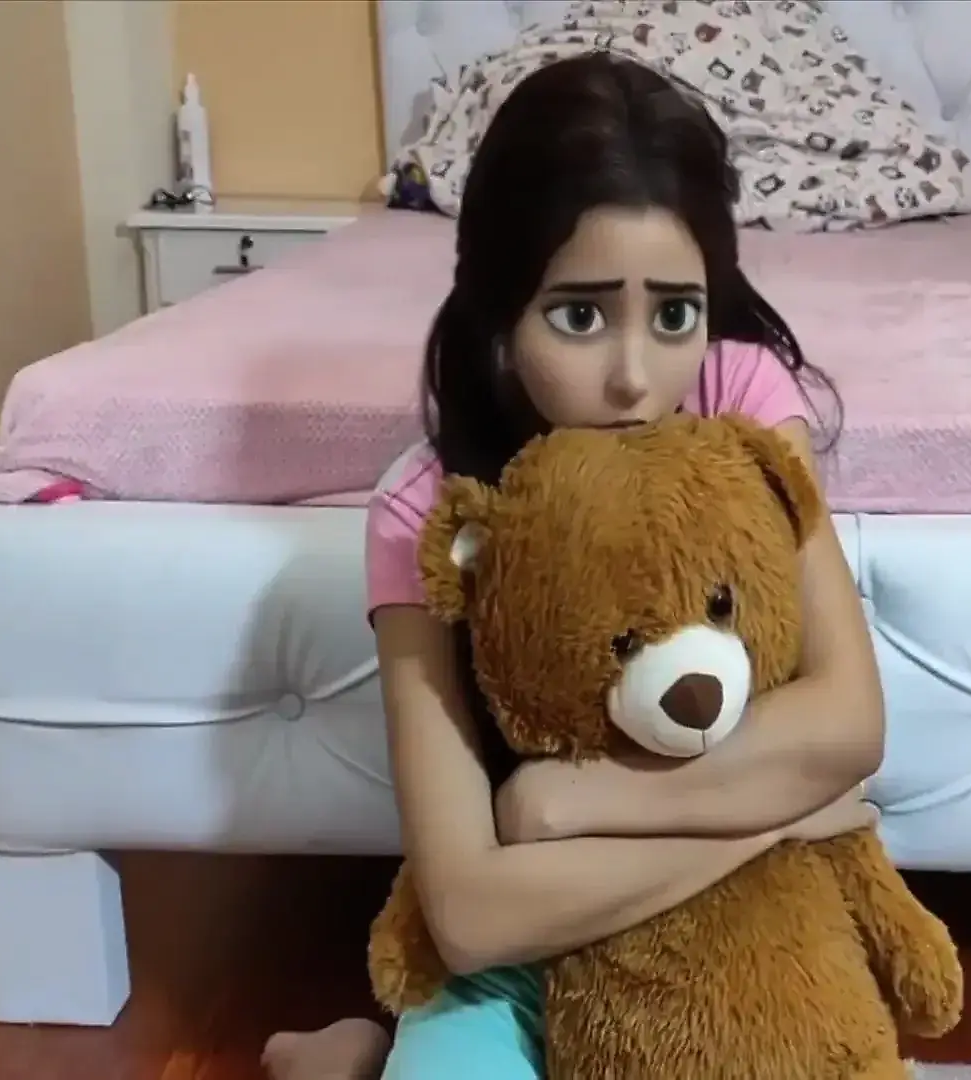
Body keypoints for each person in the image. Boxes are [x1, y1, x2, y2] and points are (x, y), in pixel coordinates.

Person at [263, 51, 885, 1080]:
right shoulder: (427, 507)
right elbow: (467, 912)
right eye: (580, 316)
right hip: (529, 937)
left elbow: (850, 722)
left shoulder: (737, 398)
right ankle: (368, 1057)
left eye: (675, 313)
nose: (636, 378)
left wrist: (567, 804)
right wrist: (777, 817)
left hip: (738, 921)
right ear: (500, 316)